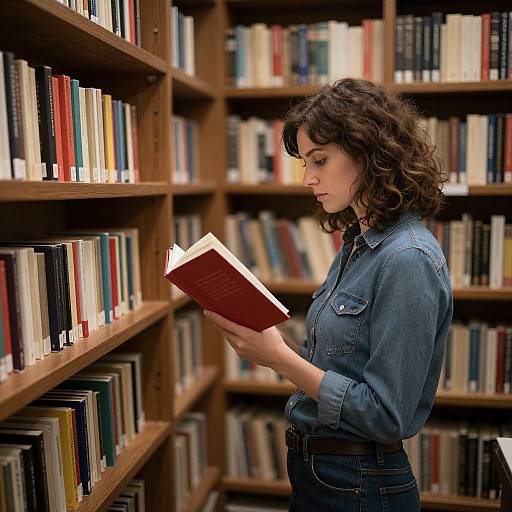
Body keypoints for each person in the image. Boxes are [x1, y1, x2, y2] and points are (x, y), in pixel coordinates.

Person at [203, 78, 453, 511]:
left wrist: (278, 358)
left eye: (320, 160)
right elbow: (341, 366)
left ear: (370, 153)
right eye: (304, 163)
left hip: (358, 483)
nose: (308, 179)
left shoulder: (406, 259)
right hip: (319, 472)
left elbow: (386, 414)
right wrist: (273, 343)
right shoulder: (357, 241)